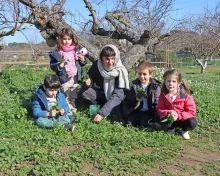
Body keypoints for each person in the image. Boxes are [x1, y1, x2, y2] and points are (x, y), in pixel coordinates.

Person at [82, 44, 130, 123]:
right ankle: (102, 106)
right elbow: (90, 78)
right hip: (103, 93)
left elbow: (117, 96)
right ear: (102, 58)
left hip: (119, 98)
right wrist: (88, 82)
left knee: (119, 113)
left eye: (113, 59)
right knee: (85, 93)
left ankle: (106, 109)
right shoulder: (97, 65)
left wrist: (101, 114)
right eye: (107, 59)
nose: (110, 62)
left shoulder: (121, 70)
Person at [49, 27, 87, 111]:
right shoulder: (57, 52)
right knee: (65, 92)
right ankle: (65, 108)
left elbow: (81, 63)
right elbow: (52, 65)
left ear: (72, 40)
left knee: (73, 92)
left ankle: (73, 107)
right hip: (64, 77)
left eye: (69, 39)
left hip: (75, 76)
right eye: (64, 39)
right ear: (60, 39)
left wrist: (83, 60)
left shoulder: (75, 50)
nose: (67, 41)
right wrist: (59, 65)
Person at [156, 69, 197, 139]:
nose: (170, 84)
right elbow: (159, 109)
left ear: (179, 83)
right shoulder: (163, 95)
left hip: (182, 119)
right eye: (168, 81)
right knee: (158, 121)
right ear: (165, 82)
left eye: (174, 81)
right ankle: (171, 128)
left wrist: (178, 115)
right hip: (170, 119)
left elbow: (192, 112)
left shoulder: (186, 94)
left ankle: (184, 130)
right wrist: (169, 112)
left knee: (192, 123)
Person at [123, 61, 161, 128]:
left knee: (143, 124)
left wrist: (155, 116)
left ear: (150, 74)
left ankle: (153, 123)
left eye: (144, 74)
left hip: (149, 111)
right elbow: (129, 98)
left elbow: (157, 103)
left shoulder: (155, 87)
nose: (142, 76)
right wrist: (136, 99)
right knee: (129, 123)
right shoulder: (135, 85)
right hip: (138, 110)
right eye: (140, 74)